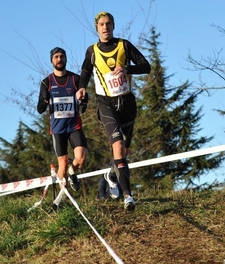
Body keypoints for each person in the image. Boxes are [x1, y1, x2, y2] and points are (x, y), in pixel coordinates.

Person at [77, 11, 151, 211]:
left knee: (123, 152)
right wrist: (82, 87)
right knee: (117, 145)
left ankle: (111, 175)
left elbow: (146, 66)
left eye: (108, 24)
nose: (105, 27)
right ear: (97, 28)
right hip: (106, 105)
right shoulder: (92, 51)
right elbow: (85, 72)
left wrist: (128, 69)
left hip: (127, 104)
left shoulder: (124, 45)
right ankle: (128, 196)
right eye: (101, 24)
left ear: (113, 26)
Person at [37, 47, 88, 192]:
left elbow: (85, 97)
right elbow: (39, 109)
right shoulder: (47, 82)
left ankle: (73, 172)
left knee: (81, 159)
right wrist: (45, 100)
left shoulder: (75, 79)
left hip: (74, 126)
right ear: (52, 60)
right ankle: (63, 197)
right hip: (58, 129)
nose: (59, 59)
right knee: (63, 164)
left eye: (62, 57)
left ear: (66, 59)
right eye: (56, 57)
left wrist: (83, 104)